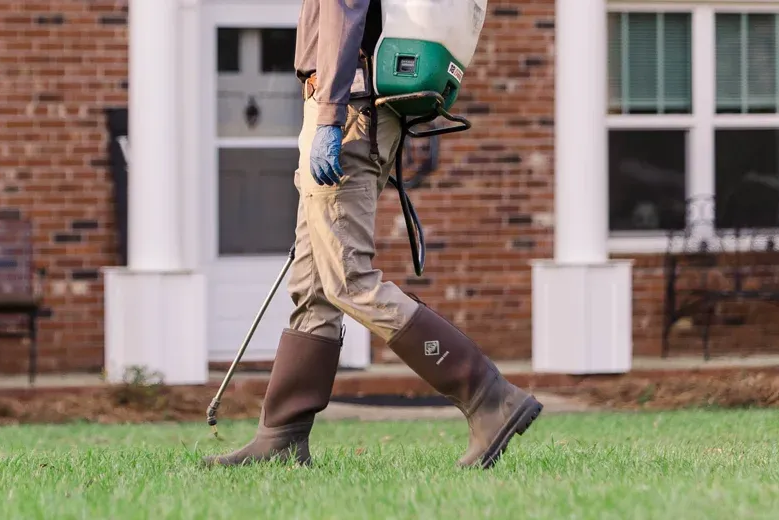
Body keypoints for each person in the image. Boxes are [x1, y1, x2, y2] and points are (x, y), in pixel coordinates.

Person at [203, 0, 543, 470]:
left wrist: (328, 118)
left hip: (346, 111)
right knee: (314, 281)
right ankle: (281, 435)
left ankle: (488, 396)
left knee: (348, 278)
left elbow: (345, 11)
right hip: (356, 108)